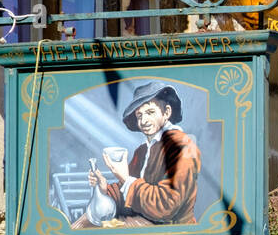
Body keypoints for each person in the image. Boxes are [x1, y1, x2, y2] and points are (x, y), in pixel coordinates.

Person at [86, 81, 201, 225]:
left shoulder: (181, 146)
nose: (144, 120)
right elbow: (129, 197)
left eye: (150, 112)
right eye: (139, 115)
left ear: (166, 112)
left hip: (174, 234)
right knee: (88, 222)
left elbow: (166, 206)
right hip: (146, 224)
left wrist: (126, 179)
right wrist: (106, 189)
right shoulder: (142, 151)